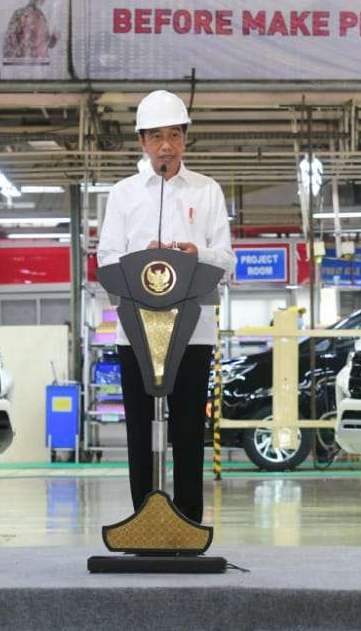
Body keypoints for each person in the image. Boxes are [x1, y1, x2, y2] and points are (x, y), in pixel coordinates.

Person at [97, 90, 234, 524]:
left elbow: (227, 261)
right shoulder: (123, 194)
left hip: (193, 332)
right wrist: (144, 260)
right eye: (157, 137)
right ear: (142, 141)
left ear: (185, 140)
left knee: (189, 428)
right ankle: (142, 518)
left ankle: (190, 519)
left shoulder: (207, 190)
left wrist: (196, 254)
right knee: (139, 428)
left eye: (175, 135)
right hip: (135, 331)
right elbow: (106, 259)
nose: (166, 146)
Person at [2, 0, 59, 65]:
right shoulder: (20, 14)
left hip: (42, 67)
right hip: (25, 67)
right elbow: (9, 43)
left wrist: (54, 38)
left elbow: (47, 45)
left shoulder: (42, 17)